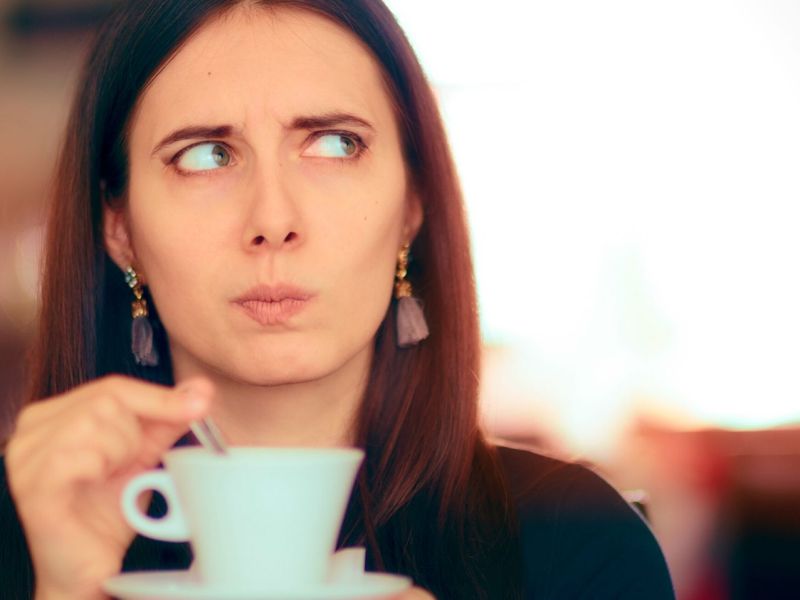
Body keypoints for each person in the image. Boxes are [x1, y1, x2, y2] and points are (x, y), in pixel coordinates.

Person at [0, 1, 675, 598]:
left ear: (412, 205)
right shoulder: (22, 532)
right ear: (120, 231)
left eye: (333, 144)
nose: (273, 218)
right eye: (205, 155)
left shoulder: (578, 546)